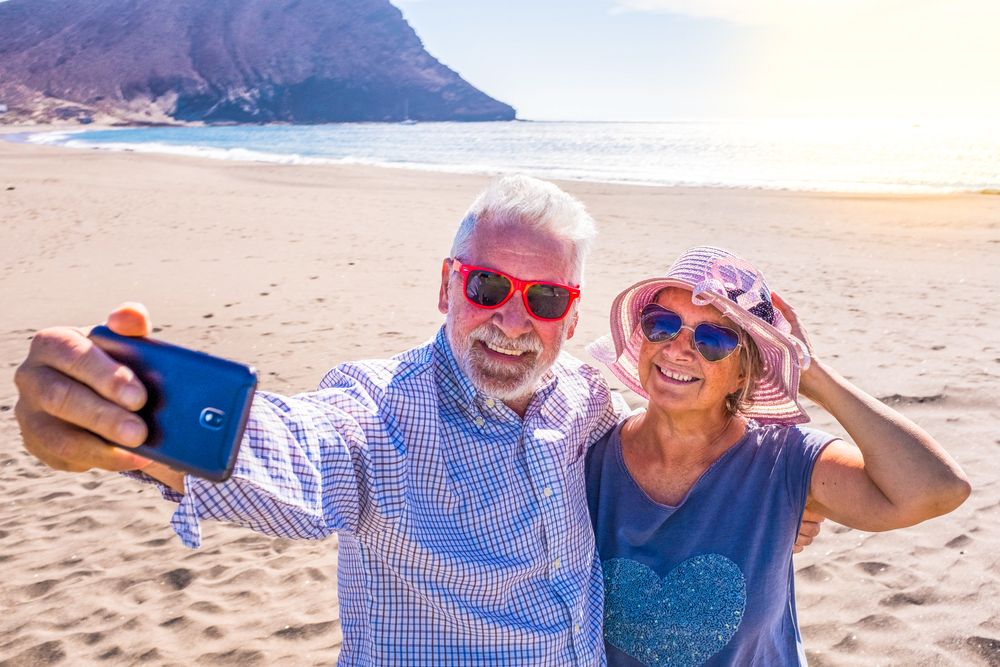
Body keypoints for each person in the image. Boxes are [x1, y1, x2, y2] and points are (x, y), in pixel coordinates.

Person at [13, 176, 819, 665]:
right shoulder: (379, 410)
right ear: (446, 287)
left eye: (542, 299)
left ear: (572, 319)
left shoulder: (586, 401)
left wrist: (776, 501)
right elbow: (301, 447)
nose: (512, 321)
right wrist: (140, 432)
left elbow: (668, 453)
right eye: (487, 287)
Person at [584, 245, 971, 666]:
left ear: (744, 374)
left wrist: (813, 373)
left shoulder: (784, 460)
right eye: (663, 325)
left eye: (713, 339)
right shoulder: (587, 455)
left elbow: (936, 490)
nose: (678, 349)